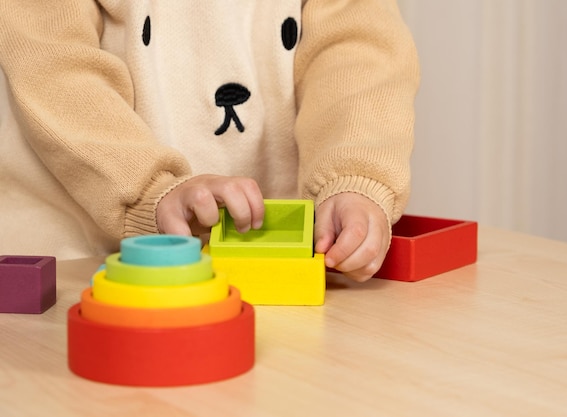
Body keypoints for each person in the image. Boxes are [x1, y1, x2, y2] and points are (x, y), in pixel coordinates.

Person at [0, 0, 419, 282]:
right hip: (78, 265)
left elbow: (358, 51)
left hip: (269, 267)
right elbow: (54, 68)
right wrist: (150, 190)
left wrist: (354, 179)